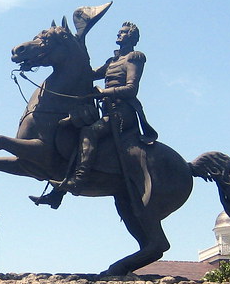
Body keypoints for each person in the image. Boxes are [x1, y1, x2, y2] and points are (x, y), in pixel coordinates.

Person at [31, 21, 157, 208]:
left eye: (123, 32)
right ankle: (57, 193)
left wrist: (102, 93)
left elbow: (131, 89)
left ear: (131, 37)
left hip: (123, 112)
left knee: (90, 132)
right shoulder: (112, 61)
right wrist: (73, 53)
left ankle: (78, 180)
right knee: (71, 128)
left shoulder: (134, 58)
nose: (119, 35)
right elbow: (87, 74)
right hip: (107, 111)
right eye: (119, 31)